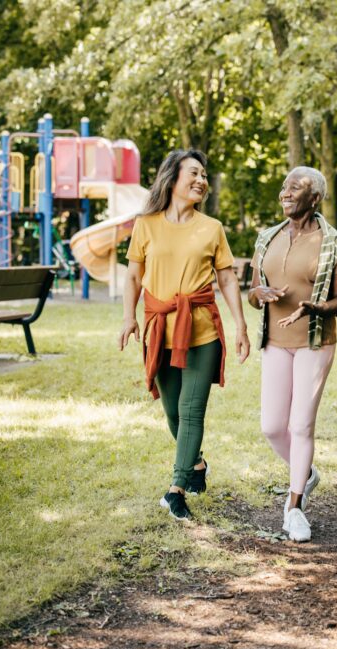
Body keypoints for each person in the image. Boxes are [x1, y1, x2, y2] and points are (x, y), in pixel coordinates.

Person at [118, 149, 250, 521]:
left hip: (201, 330)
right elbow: (132, 276)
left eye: (204, 175)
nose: (201, 180)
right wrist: (129, 318)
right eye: (194, 172)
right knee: (173, 411)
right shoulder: (146, 224)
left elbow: (225, 278)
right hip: (160, 330)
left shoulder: (212, 228)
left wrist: (240, 325)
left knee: (192, 411)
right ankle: (197, 464)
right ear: (172, 177)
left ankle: (176, 489)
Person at [248, 166, 337, 543]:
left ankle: (294, 508)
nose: (286, 193)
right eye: (284, 186)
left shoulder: (334, 243)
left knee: (300, 425)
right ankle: (305, 473)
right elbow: (253, 290)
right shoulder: (267, 238)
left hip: (314, 342)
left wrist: (317, 307)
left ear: (316, 197)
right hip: (275, 341)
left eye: (296, 187)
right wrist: (259, 295)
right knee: (272, 427)